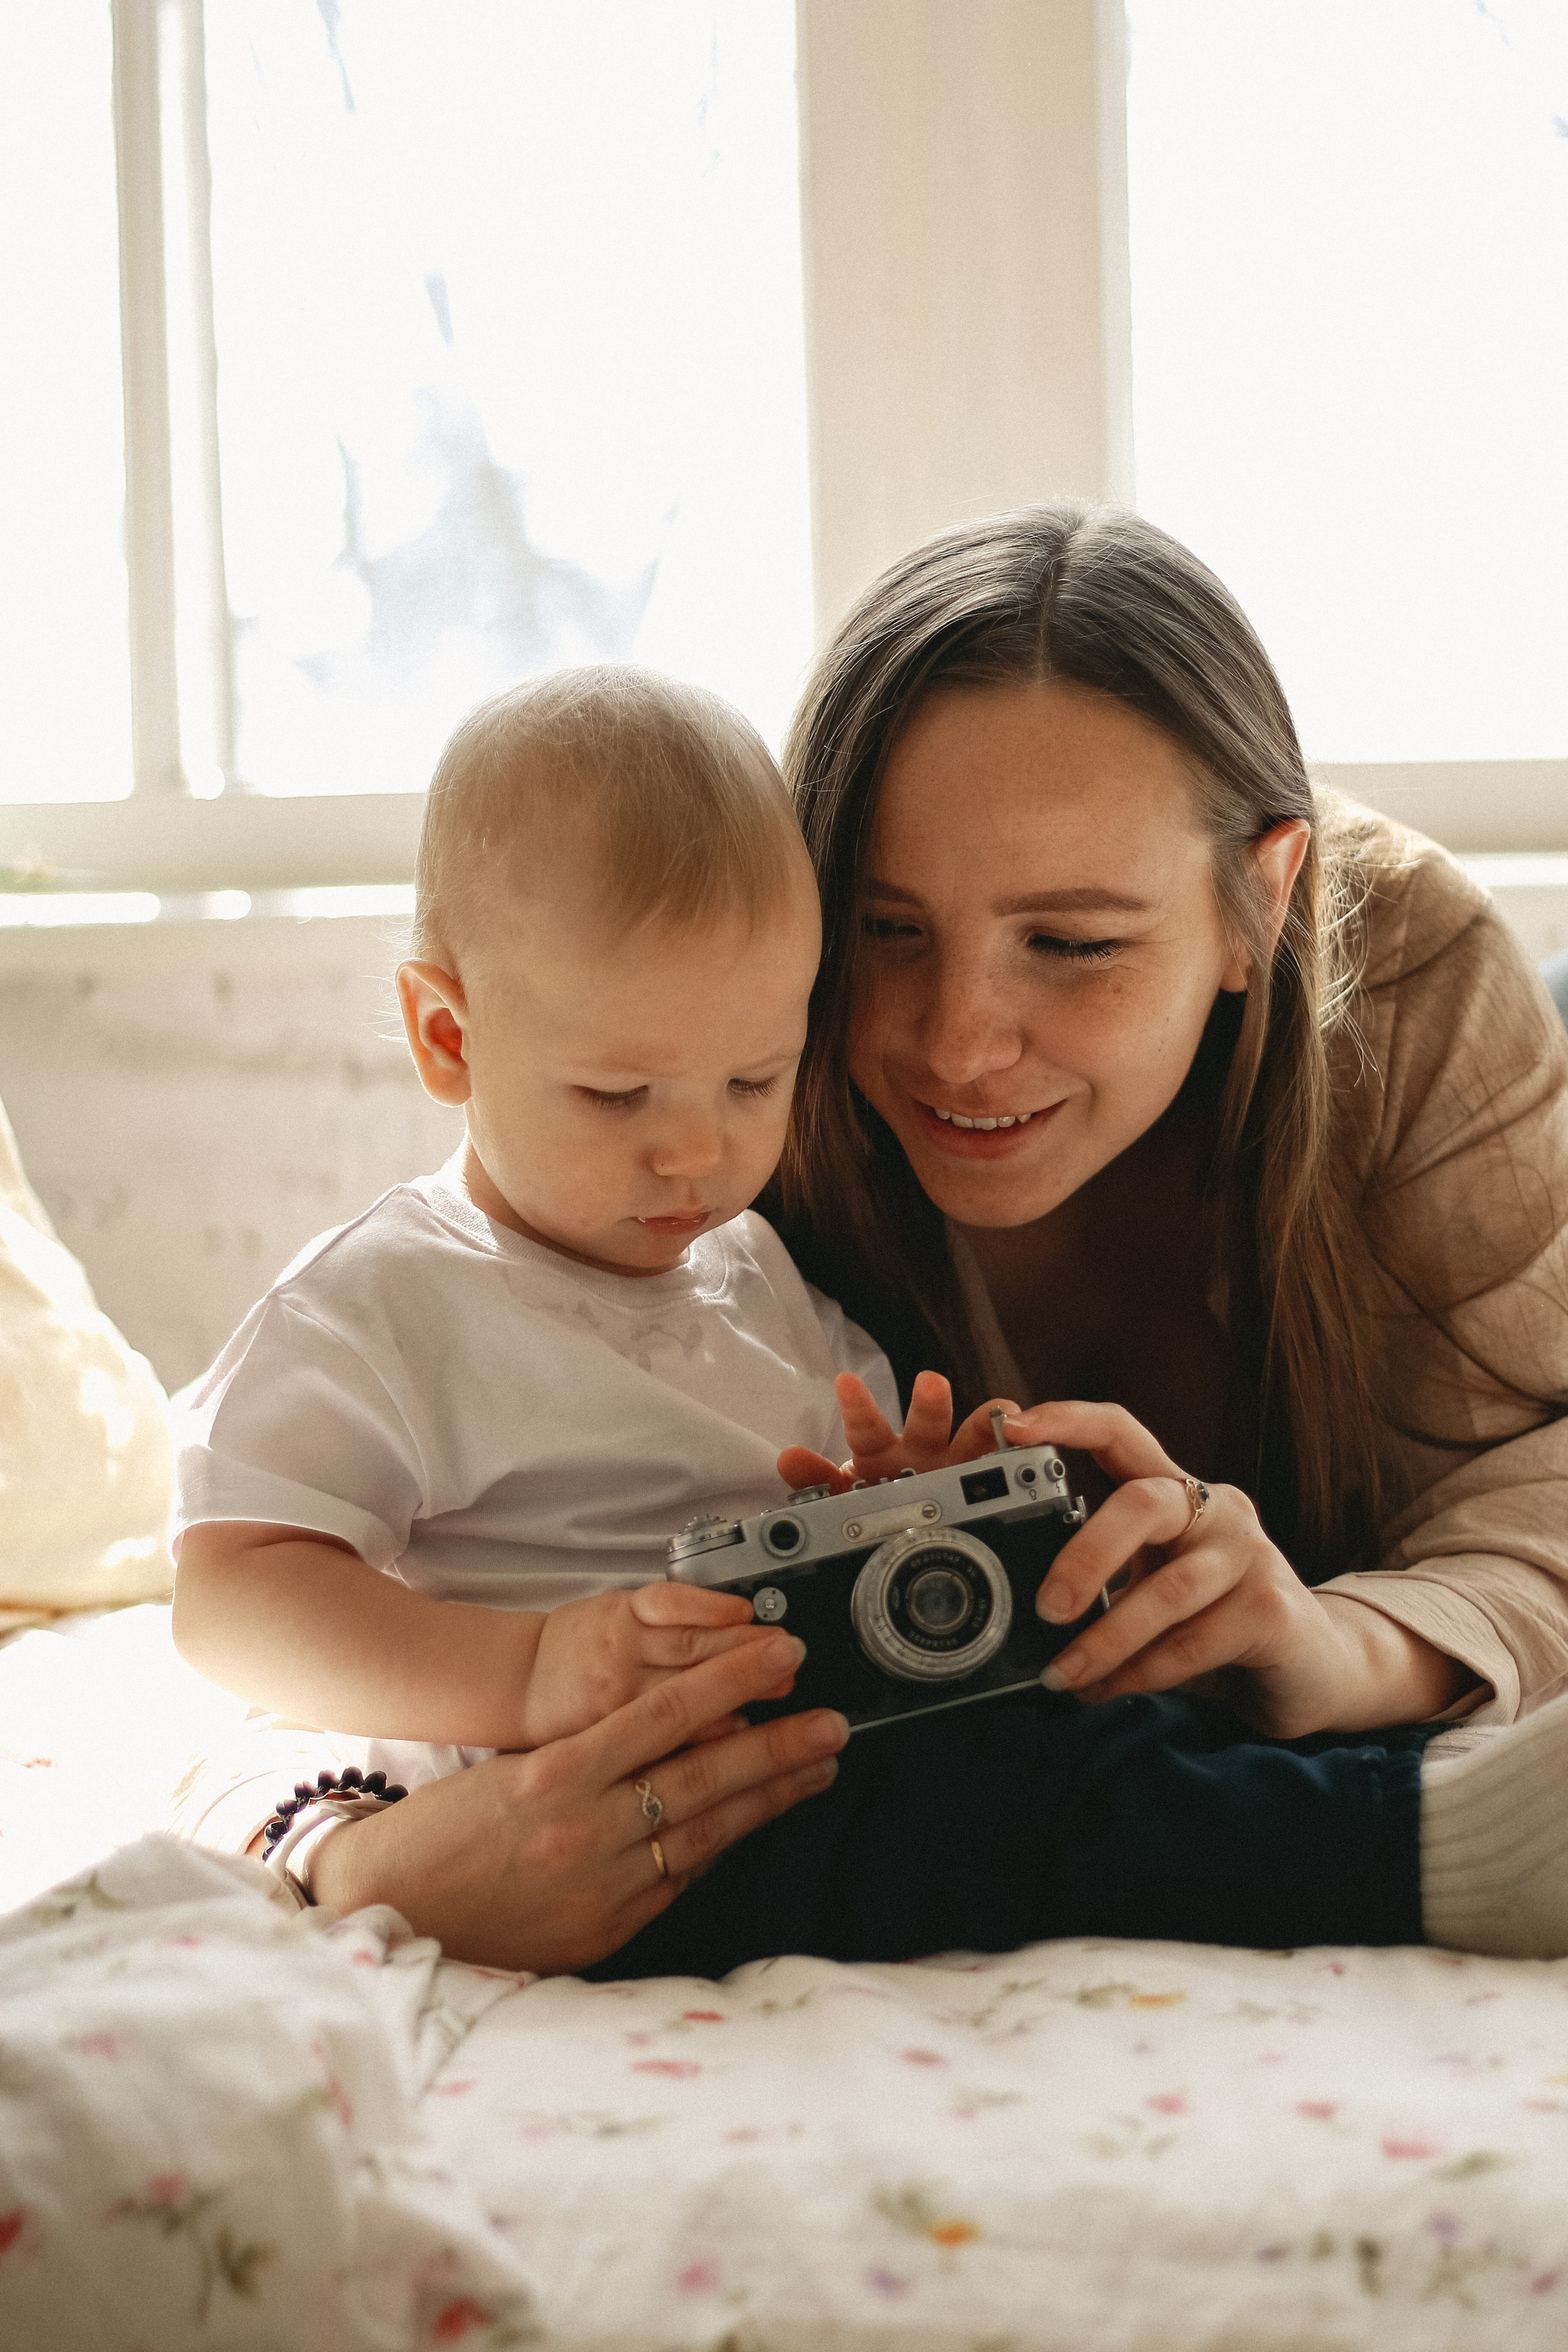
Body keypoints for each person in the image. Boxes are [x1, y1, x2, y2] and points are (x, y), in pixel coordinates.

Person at [174, 512, 1568, 1975]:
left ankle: (1422, 1828)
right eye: (885, 930)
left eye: (1072, 942)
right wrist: (354, 1856)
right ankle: (1414, 1839)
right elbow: (245, 1634)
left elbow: (1529, 1490)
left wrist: (1319, 1648)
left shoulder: (1393, 987)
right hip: (754, 1782)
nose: (956, 1047)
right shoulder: (696, 1116)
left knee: (1071, 1768)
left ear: (1260, 902)